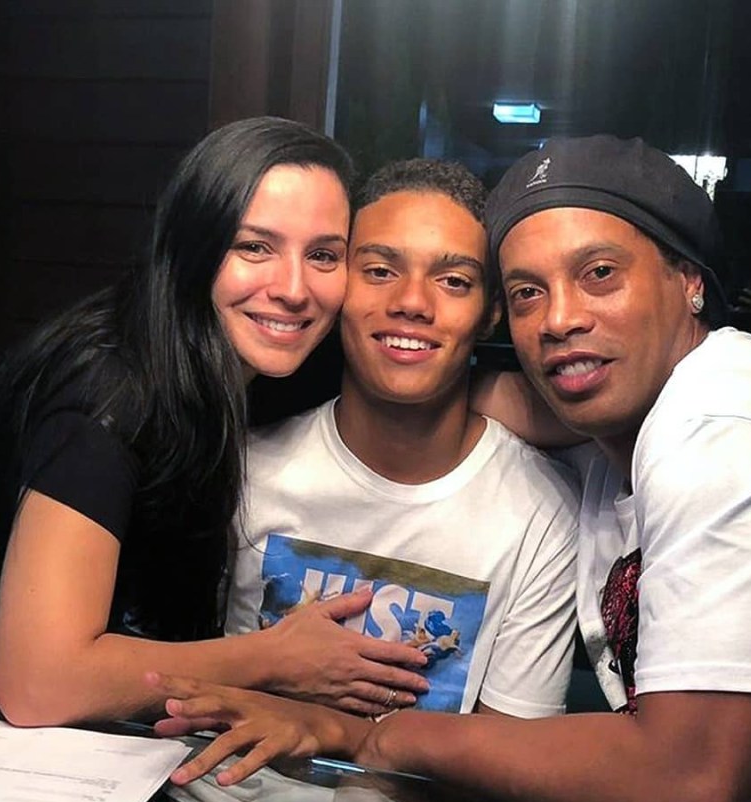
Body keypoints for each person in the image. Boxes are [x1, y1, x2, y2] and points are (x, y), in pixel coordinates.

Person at [154, 135, 751, 802]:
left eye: (599, 273)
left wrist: (375, 738)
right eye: (529, 291)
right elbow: (452, 397)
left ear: (690, 280)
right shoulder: (613, 448)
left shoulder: (723, 435)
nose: (559, 318)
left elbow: (683, 796)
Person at [0, 116, 427, 728]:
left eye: (322, 255)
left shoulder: (287, 354)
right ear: (194, 249)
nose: (293, 289)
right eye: (254, 246)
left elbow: (462, 393)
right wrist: (273, 659)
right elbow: (41, 684)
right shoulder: (110, 390)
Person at [224, 159, 578, 718]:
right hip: (225, 798)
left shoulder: (542, 511)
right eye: (381, 271)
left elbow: (507, 760)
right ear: (339, 286)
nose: (412, 302)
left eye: (454, 281)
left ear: (491, 312)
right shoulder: (247, 469)